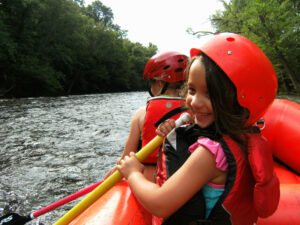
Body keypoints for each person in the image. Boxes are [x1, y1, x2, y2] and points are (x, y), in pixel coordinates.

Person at [117, 33, 280, 225]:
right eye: (192, 90)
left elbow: (159, 204)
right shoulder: (244, 138)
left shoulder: (209, 155)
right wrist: (174, 133)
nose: (194, 101)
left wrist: (133, 173)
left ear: (239, 101)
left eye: (209, 94)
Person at [105, 51, 189, 181]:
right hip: (184, 180)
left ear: (159, 83)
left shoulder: (141, 113)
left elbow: (126, 158)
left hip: (148, 181)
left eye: (152, 82)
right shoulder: (196, 111)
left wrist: (119, 163)